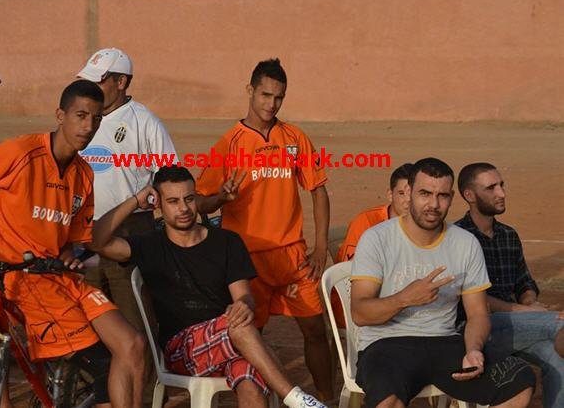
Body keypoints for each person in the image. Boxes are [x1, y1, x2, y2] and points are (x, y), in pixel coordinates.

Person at [0, 80, 145, 407]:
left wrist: (69, 255)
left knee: (133, 345)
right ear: (60, 115)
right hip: (23, 280)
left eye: (96, 119)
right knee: (103, 365)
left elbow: (71, 240)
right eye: (80, 116)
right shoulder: (19, 152)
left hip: (62, 278)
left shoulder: (84, 174)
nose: (88, 127)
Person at [87, 164, 329, 408]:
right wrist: (135, 200)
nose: (183, 208)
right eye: (173, 201)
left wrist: (243, 306)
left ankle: (297, 400)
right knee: (241, 329)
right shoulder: (149, 245)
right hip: (182, 350)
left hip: (231, 341)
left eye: (189, 199)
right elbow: (97, 241)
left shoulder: (227, 241)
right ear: (157, 203)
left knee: (251, 385)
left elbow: (244, 296)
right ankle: (296, 399)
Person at [195, 58, 334, 401]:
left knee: (316, 330)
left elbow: (318, 190)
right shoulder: (229, 143)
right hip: (247, 260)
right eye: (265, 95)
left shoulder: (294, 138)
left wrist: (320, 247)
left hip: (292, 256)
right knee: (252, 336)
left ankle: (327, 398)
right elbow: (199, 202)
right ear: (250, 91)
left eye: (279, 97)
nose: (271, 104)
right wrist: (220, 198)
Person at [350, 157, 535, 408]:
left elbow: (478, 314)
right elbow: (360, 313)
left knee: (519, 381)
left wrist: (474, 349)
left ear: (451, 197)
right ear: (409, 193)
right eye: (425, 194)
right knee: (387, 399)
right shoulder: (377, 239)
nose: (434, 205)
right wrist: (405, 298)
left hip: (445, 341)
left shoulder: (465, 243)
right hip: (386, 345)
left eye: (443, 196)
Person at [77, 47, 177, 334]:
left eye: (99, 81)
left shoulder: (144, 122)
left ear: (121, 82)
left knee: (134, 319)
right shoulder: (81, 120)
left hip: (131, 232)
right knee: (87, 318)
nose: (91, 88)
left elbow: (170, 175)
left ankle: (145, 364)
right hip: (84, 232)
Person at [455, 162, 564, 408]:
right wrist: (527, 312)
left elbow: (524, 281)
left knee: (558, 359)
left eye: (501, 185)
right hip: (474, 331)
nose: (501, 193)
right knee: (558, 323)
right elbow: (472, 297)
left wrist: (529, 301)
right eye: (491, 188)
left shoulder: (508, 235)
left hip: (514, 328)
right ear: (469, 195)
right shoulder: (458, 238)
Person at [329, 163, 412, 328]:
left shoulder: (423, 224)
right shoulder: (366, 222)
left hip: (403, 302)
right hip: (358, 306)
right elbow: (350, 273)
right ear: (390, 195)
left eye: (413, 194)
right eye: (401, 194)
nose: (407, 201)